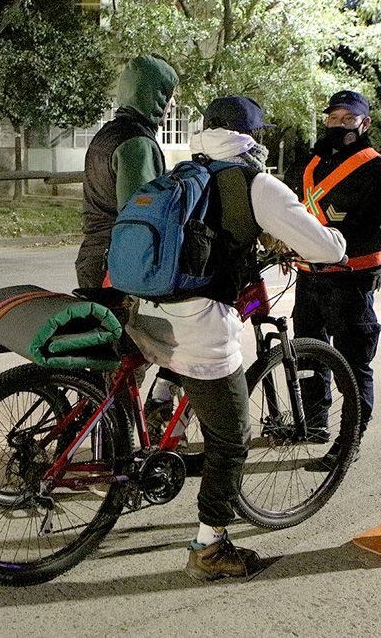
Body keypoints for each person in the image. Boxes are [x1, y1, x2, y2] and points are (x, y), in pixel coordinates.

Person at [124, 96, 347, 581]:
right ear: (252, 137)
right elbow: (323, 246)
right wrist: (337, 244)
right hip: (197, 322)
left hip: (144, 310)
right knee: (231, 438)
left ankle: (164, 403)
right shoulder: (256, 184)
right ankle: (211, 548)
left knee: (178, 360)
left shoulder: (186, 171)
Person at [290, 91, 381, 470]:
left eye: (346, 119)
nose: (338, 125)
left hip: (350, 282)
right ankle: (314, 421)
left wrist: (325, 249)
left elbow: (377, 233)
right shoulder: (312, 163)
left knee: (353, 365)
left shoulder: (378, 170)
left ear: (364, 123)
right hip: (308, 279)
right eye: (332, 119)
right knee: (308, 353)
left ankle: (348, 440)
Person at [76, 54, 179, 289]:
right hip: (118, 266)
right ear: (153, 95)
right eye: (169, 94)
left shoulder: (108, 133)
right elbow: (140, 218)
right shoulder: (137, 144)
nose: (172, 103)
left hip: (95, 256)